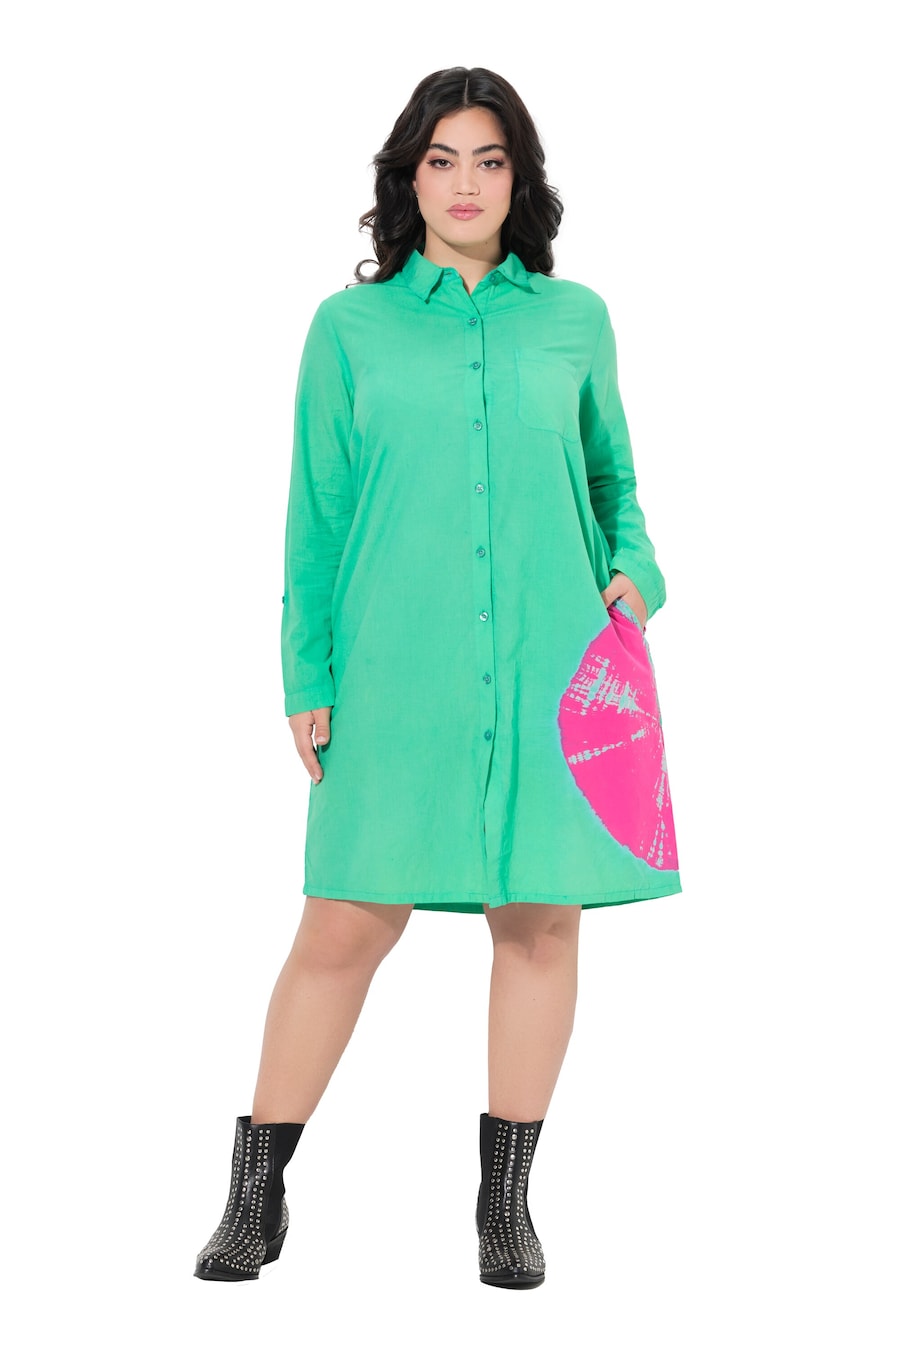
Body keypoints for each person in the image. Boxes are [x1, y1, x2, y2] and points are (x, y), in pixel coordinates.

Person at [194, 65, 681, 1290]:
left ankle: (504, 1207)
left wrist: (637, 572)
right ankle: (256, 1191)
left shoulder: (574, 319)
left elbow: (614, 482)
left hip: (556, 665)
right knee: (344, 922)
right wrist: (306, 672)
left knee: (542, 917)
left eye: (490, 160)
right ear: (408, 180)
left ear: (521, 180)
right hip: (393, 671)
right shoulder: (347, 330)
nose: (466, 184)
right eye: (442, 160)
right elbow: (316, 517)